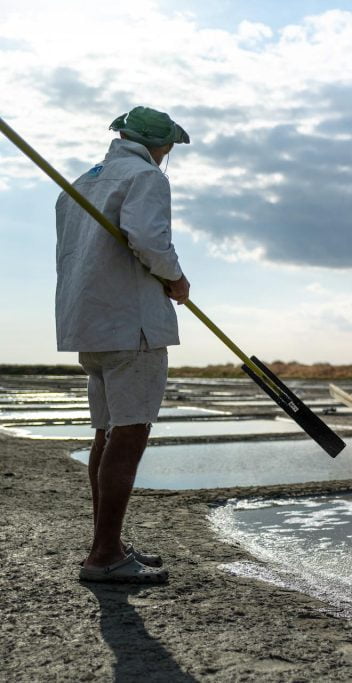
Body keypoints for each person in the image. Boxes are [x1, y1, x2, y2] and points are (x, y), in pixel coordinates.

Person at [56, 106, 191, 584]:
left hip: (89, 322)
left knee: (106, 433)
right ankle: (105, 556)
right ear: (161, 144)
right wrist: (176, 278)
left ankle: (105, 545)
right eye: (169, 145)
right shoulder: (145, 175)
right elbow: (149, 239)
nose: (168, 153)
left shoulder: (81, 182)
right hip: (131, 323)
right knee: (129, 434)